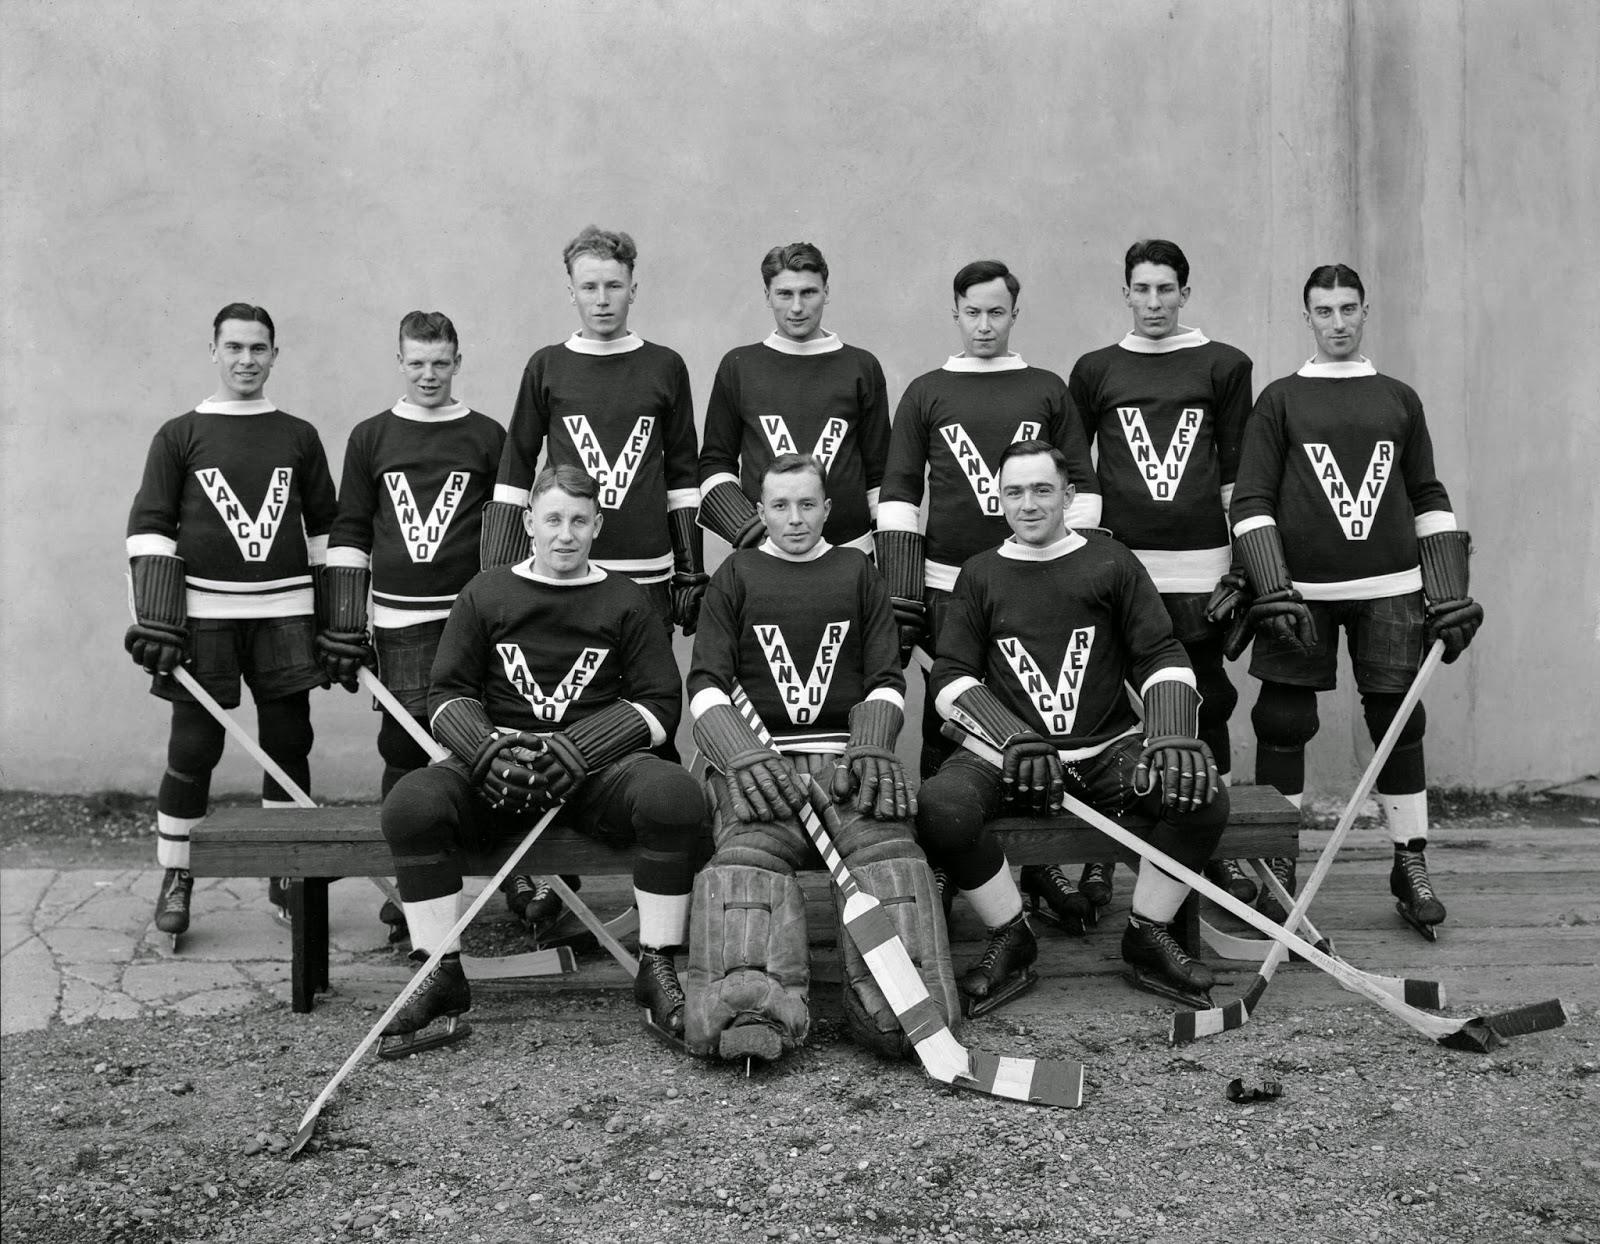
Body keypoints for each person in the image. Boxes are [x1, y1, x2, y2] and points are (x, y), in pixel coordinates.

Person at [377, 465, 704, 1055]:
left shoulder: (625, 599)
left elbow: (659, 702)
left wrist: (580, 749)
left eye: (579, 520)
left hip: (594, 770)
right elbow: (445, 691)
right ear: (529, 522)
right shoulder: (487, 592)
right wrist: (485, 751)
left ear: (598, 525)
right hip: (499, 765)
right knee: (412, 805)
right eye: (552, 518)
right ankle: (438, 973)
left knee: (675, 797)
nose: (565, 534)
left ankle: (656, 966)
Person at [916, 440, 1228, 1013]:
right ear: (999, 499)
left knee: (1201, 797)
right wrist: (1012, 737)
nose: (1028, 504)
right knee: (942, 807)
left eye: (1042, 490)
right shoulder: (981, 574)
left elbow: (1159, 652)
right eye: (1014, 492)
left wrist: (1172, 732)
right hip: (1007, 754)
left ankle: (1147, 932)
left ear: (1069, 496)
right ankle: (1012, 933)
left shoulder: (1111, 562)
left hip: (1107, 749)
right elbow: (951, 676)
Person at [1228, 264, 1482, 939]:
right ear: (1305, 316)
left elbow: (1425, 492)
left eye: (1347, 308)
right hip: (1298, 592)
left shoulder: (1399, 398)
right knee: (1282, 717)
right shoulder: (1280, 400)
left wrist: (1448, 591)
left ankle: (1410, 861)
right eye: (1323, 310)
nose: (1336, 322)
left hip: (1392, 586)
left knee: (1399, 718)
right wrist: (1269, 581)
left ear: (1365, 311)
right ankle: (1276, 868)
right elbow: (1252, 497)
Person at [684, 453, 955, 1064]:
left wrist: (871, 742)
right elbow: (704, 683)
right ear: (759, 511)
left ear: (828, 509)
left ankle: (901, 1003)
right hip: (759, 761)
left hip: (845, 758)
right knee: (749, 854)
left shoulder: (857, 569)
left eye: (808, 504)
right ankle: (750, 1005)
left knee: (889, 851)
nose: (795, 518)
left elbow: (887, 676)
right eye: (780, 505)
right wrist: (742, 755)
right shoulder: (737, 573)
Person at [478, 226, 703, 931]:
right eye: (589, 286)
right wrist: (499, 576)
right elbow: (516, 473)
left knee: (647, 723)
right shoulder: (547, 365)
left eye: (614, 285)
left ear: (634, 287)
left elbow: (683, 477)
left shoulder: (666, 366)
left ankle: (654, 881)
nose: (602, 299)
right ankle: (554, 882)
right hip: (560, 578)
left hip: (644, 579)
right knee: (556, 711)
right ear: (570, 290)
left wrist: (692, 567)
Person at [1049, 239, 1256, 927]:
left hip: (1199, 563)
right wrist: (1080, 558)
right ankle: (1106, 857)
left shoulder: (1224, 364)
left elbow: (1234, 472)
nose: (1155, 302)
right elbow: (1078, 472)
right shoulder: (1096, 369)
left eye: (1167, 289)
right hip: (1122, 562)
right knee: (1113, 701)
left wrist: (1247, 559)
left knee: (1205, 695)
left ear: (1185, 294)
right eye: (1142, 289)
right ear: (1126, 293)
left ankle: (1208, 837)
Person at [125, 303, 337, 937]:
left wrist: (340, 618)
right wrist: (157, 620)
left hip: (285, 612)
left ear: (276, 355)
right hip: (204, 616)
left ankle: (287, 872)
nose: (247, 360)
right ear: (212, 351)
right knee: (194, 747)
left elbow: (327, 530)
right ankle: (178, 872)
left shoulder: (297, 434)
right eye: (235, 347)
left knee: (288, 743)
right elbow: (150, 527)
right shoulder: (180, 433)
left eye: (259, 348)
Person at [875, 260, 1100, 786]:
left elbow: (1083, 486)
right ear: (955, 313)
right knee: (948, 711)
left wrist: (1073, 567)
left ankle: (1038, 862)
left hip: (1036, 578)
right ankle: (948, 847)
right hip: (948, 584)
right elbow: (899, 494)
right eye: (972, 312)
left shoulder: (1045, 388)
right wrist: (903, 591)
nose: (983, 325)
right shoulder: (928, 390)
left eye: (996, 312)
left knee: (1029, 708)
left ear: (1014, 314)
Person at [319, 311, 505, 941]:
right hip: (397, 622)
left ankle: (523, 875)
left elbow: (504, 531)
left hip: (470, 621)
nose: (429, 374)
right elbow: (349, 530)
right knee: (403, 750)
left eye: (441, 362)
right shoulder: (371, 436)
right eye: (417, 362)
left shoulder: (485, 434)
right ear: (400, 362)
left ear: (458, 361)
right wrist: (345, 624)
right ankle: (411, 889)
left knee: (483, 739)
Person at [697, 242, 891, 557]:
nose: (797, 307)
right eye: (785, 294)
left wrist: (888, 559)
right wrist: (741, 523)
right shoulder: (740, 366)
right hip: (765, 555)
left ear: (826, 292)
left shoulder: (861, 366)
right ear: (767, 296)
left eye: (809, 293)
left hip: (850, 552)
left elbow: (880, 474)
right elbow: (715, 460)